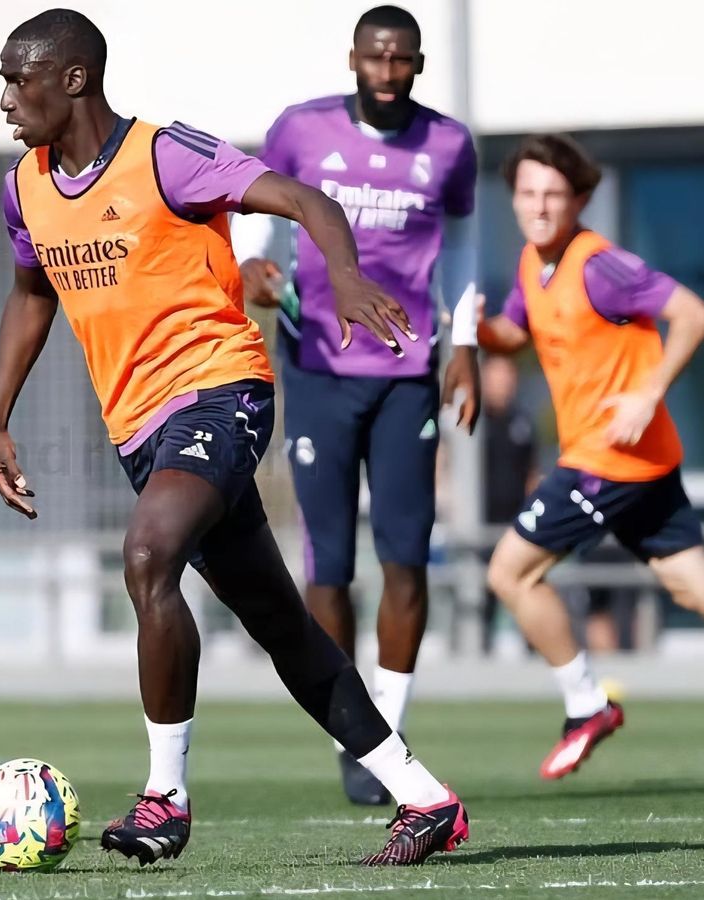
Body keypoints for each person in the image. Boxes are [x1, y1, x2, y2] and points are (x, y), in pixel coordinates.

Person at [0, 8, 468, 867]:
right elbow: (33, 293)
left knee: (146, 556)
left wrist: (345, 278)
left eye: (17, 79)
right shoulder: (23, 185)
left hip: (220, 390)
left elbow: (303, 197)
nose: (5, 100)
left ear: (73, 80)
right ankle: (425, 797)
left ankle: (164, 799)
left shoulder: (165, 155)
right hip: (139, 429)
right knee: (282, 624)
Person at [479, 133, 704, 788]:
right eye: (527, 193)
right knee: (698, 586)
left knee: (510, 574)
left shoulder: (600, 265)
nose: (539, 206)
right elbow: (513, 331)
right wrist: (475, 329)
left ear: (580, 198)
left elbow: (693, 314)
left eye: (554, 194)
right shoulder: (535, 262)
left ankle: (586, 706)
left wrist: (649, 390)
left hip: (605, 460)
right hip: (637, 465)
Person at [233, 4, 480, 806]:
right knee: (328, 566)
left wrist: (466, 342)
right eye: (374, 57)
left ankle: (395, 722)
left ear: (417, 64)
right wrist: (254, 272)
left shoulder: (448, 145)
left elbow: (465, 243)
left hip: (408, 372)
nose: (386, 70)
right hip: (316, 369)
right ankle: (358, 735)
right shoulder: (300, 132)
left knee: (406, 559)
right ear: (353, 60)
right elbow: (259, 213)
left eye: (400, 58)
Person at [477, 355, 538, 655]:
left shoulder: (523, 422)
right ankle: (477, 657)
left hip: (516, 526)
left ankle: (537, 655)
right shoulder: (471, 420)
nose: (504, 384)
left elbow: (532, 474)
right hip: (479, 525)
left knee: (526, 590)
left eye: (509, 377)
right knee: (481, 597)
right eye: (498, 376)